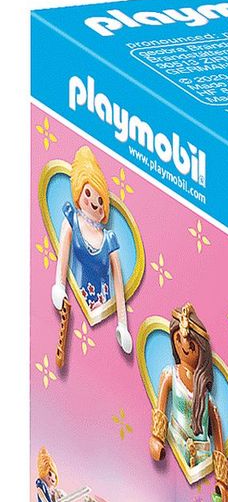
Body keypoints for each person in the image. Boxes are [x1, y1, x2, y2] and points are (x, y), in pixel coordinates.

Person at [148, 304, 228, 502]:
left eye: (191, 344)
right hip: (177, 443)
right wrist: (157, 438)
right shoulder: (171, 375)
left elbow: (217, 432)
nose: (184, 346)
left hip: (202, 456)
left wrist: (222, 480)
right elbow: (160, 409)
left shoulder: (206, 396)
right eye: (178, 339)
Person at [51, 146, 132, 353]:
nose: (94, 203)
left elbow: (118, 283)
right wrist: (59, 285)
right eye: (88, 193)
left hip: (102, 308)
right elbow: (63, 254)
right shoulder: (72, 220)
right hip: (77, 303)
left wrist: (122, 324)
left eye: (100, 201)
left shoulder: (109, 239)